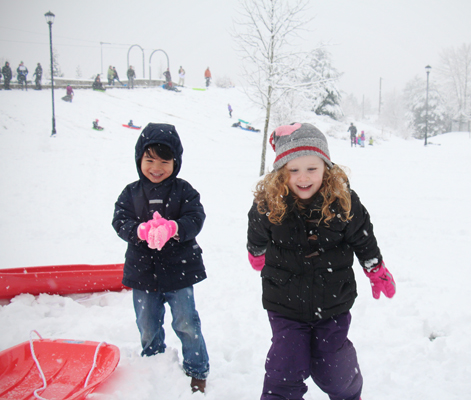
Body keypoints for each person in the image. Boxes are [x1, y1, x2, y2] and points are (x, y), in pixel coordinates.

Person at [247, 122, 396, 400]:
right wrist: (256, 253)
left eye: (311, 169)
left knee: (335, 371)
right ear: (282, 172)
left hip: (333, 304)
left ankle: (349, 395)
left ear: (326, 167)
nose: (303, 177)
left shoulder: (343, 201)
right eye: (293, 170)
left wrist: (375, 267)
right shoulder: (269, 204)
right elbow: (256, 232)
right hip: (285, 304)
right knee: (284, 370)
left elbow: (363, 238)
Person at [112, 123, 210, 394]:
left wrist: (174, 228)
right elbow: (120, 219)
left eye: (164, 161)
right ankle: (153, 360)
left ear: (175, 162)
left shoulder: (184, 190)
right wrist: (139, 230)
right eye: (149, 159)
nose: (156, 167)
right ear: (139, 159)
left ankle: (196, 368)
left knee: (186, 322)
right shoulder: (131, 192)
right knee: (146, 322)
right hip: (142, 271)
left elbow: (196, 218)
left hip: (179, 270)